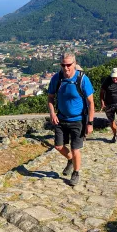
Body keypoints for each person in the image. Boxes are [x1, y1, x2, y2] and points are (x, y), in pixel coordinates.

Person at [48, 52, 95, 186]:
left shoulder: (82, 79)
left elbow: (91, 102)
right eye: (63, 65)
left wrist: (90, 123)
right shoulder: (56, 79)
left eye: (69, 65)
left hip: (78, 120)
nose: (66, 68)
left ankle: (76, 172)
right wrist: (52, 113)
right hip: (61, 119)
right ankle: (70, 160)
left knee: (75, 149)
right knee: (58, 146)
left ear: (74, 64)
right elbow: (50, 98)